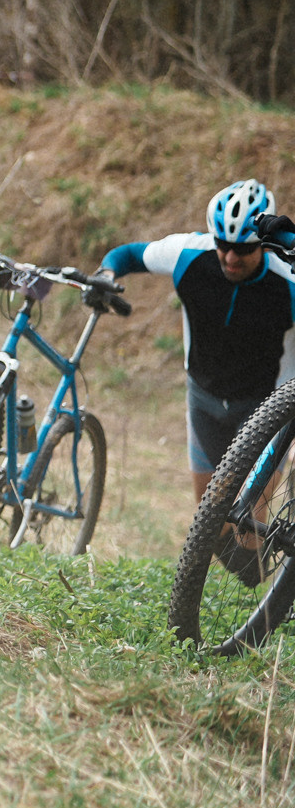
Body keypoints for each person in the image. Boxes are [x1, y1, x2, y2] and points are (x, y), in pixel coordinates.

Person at [102, 180, 295, 583]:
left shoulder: (286, 279)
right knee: (211, 521)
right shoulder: (190, 254)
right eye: (223, 244)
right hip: (203, 400)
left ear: (264, 244)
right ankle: (254, 584)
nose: (230, 257)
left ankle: (263, 597)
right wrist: (106, 272)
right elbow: (130, 254)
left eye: (243, 248)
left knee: (249, 520)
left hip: (265, 408)